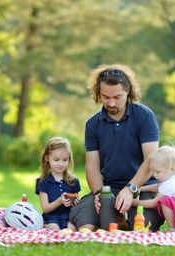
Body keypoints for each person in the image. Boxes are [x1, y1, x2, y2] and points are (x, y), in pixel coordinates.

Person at [69, 64, 164, 231]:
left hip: (142, 189)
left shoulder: (144, 116)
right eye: (105, 97)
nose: (111, 103)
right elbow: (92, 166)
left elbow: (152, 160)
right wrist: (99, 194)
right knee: (85, 219)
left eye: (117, 97)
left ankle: (121, 223)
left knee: (141, 224)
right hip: (108, 190)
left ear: (128, 92)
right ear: (99, 94)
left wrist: (130, 189)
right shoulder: (92, 125)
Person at [35, 137, 81, 230]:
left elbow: (77, 204)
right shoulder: (43, 182)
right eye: (56, 160)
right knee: (54, 229)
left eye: (65, 160)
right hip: (51, 217)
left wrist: (76, 202)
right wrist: (60, 200)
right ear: (47, 158)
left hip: (69, 216)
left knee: (72, 229)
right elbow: (46, 208)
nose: (61, 164)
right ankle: (45, 226)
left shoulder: (73, 180)